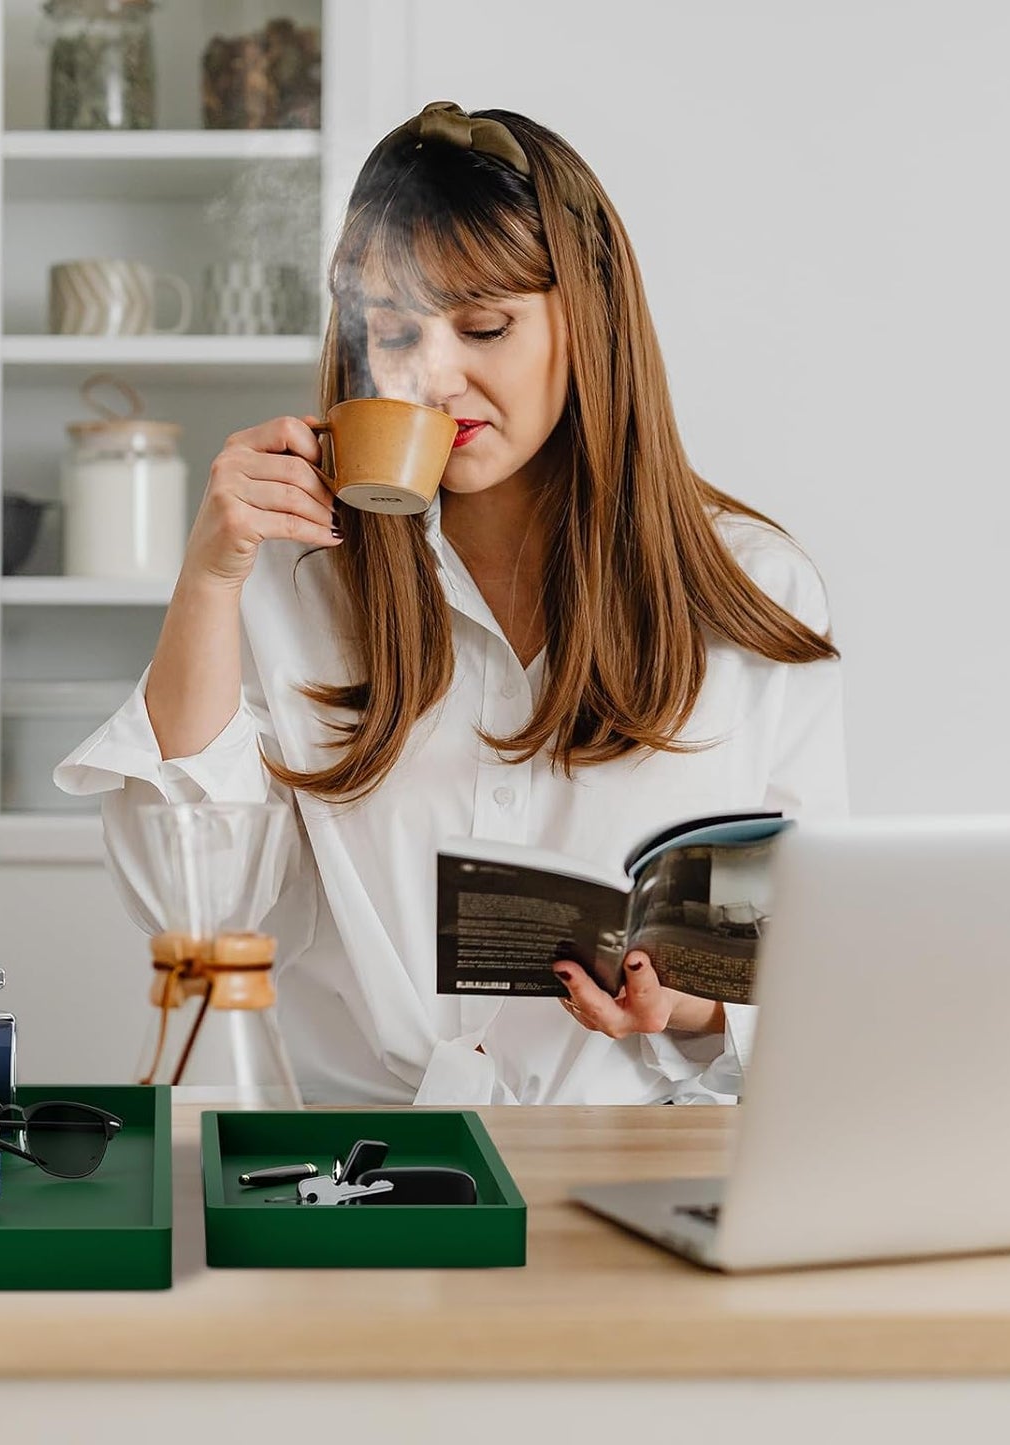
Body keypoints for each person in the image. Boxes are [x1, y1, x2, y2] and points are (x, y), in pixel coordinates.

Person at [54, 101, 848, 1105]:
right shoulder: (297, 579)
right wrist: (210, 580)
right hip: (362, 1167)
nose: (432, 375)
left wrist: (684, 1002)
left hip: (633, 1155)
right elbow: (189, 906)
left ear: (588, 319)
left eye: (484, 327)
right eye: (392, 334)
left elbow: (812, 953)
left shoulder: (747, 590)